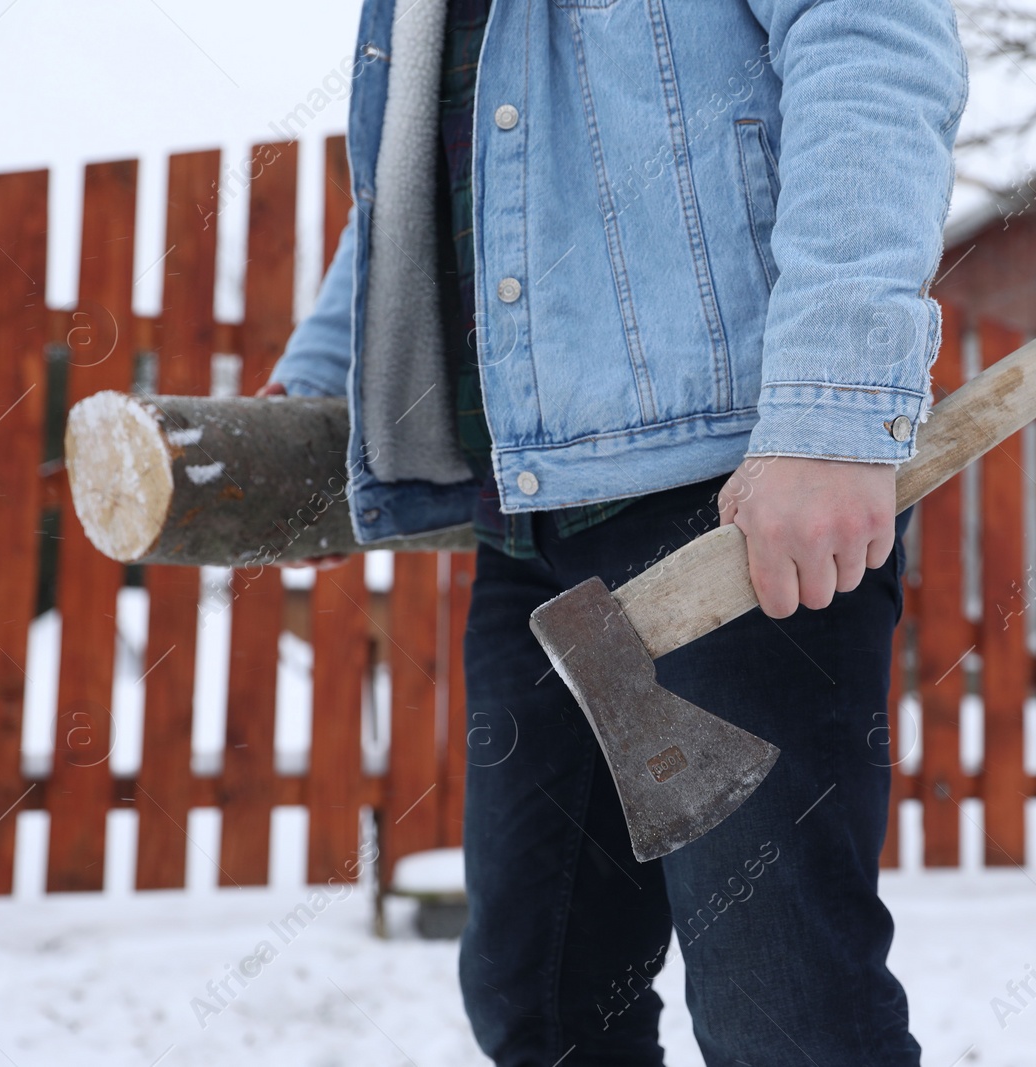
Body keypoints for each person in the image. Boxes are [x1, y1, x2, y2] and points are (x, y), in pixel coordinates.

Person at [266, 0, 967, 1062]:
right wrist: (325, 399)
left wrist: (833, 404)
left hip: (731, 508)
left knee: (782, 1012)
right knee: (540, 1001)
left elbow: (869, 38)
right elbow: (414, 173)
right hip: (532, 524)